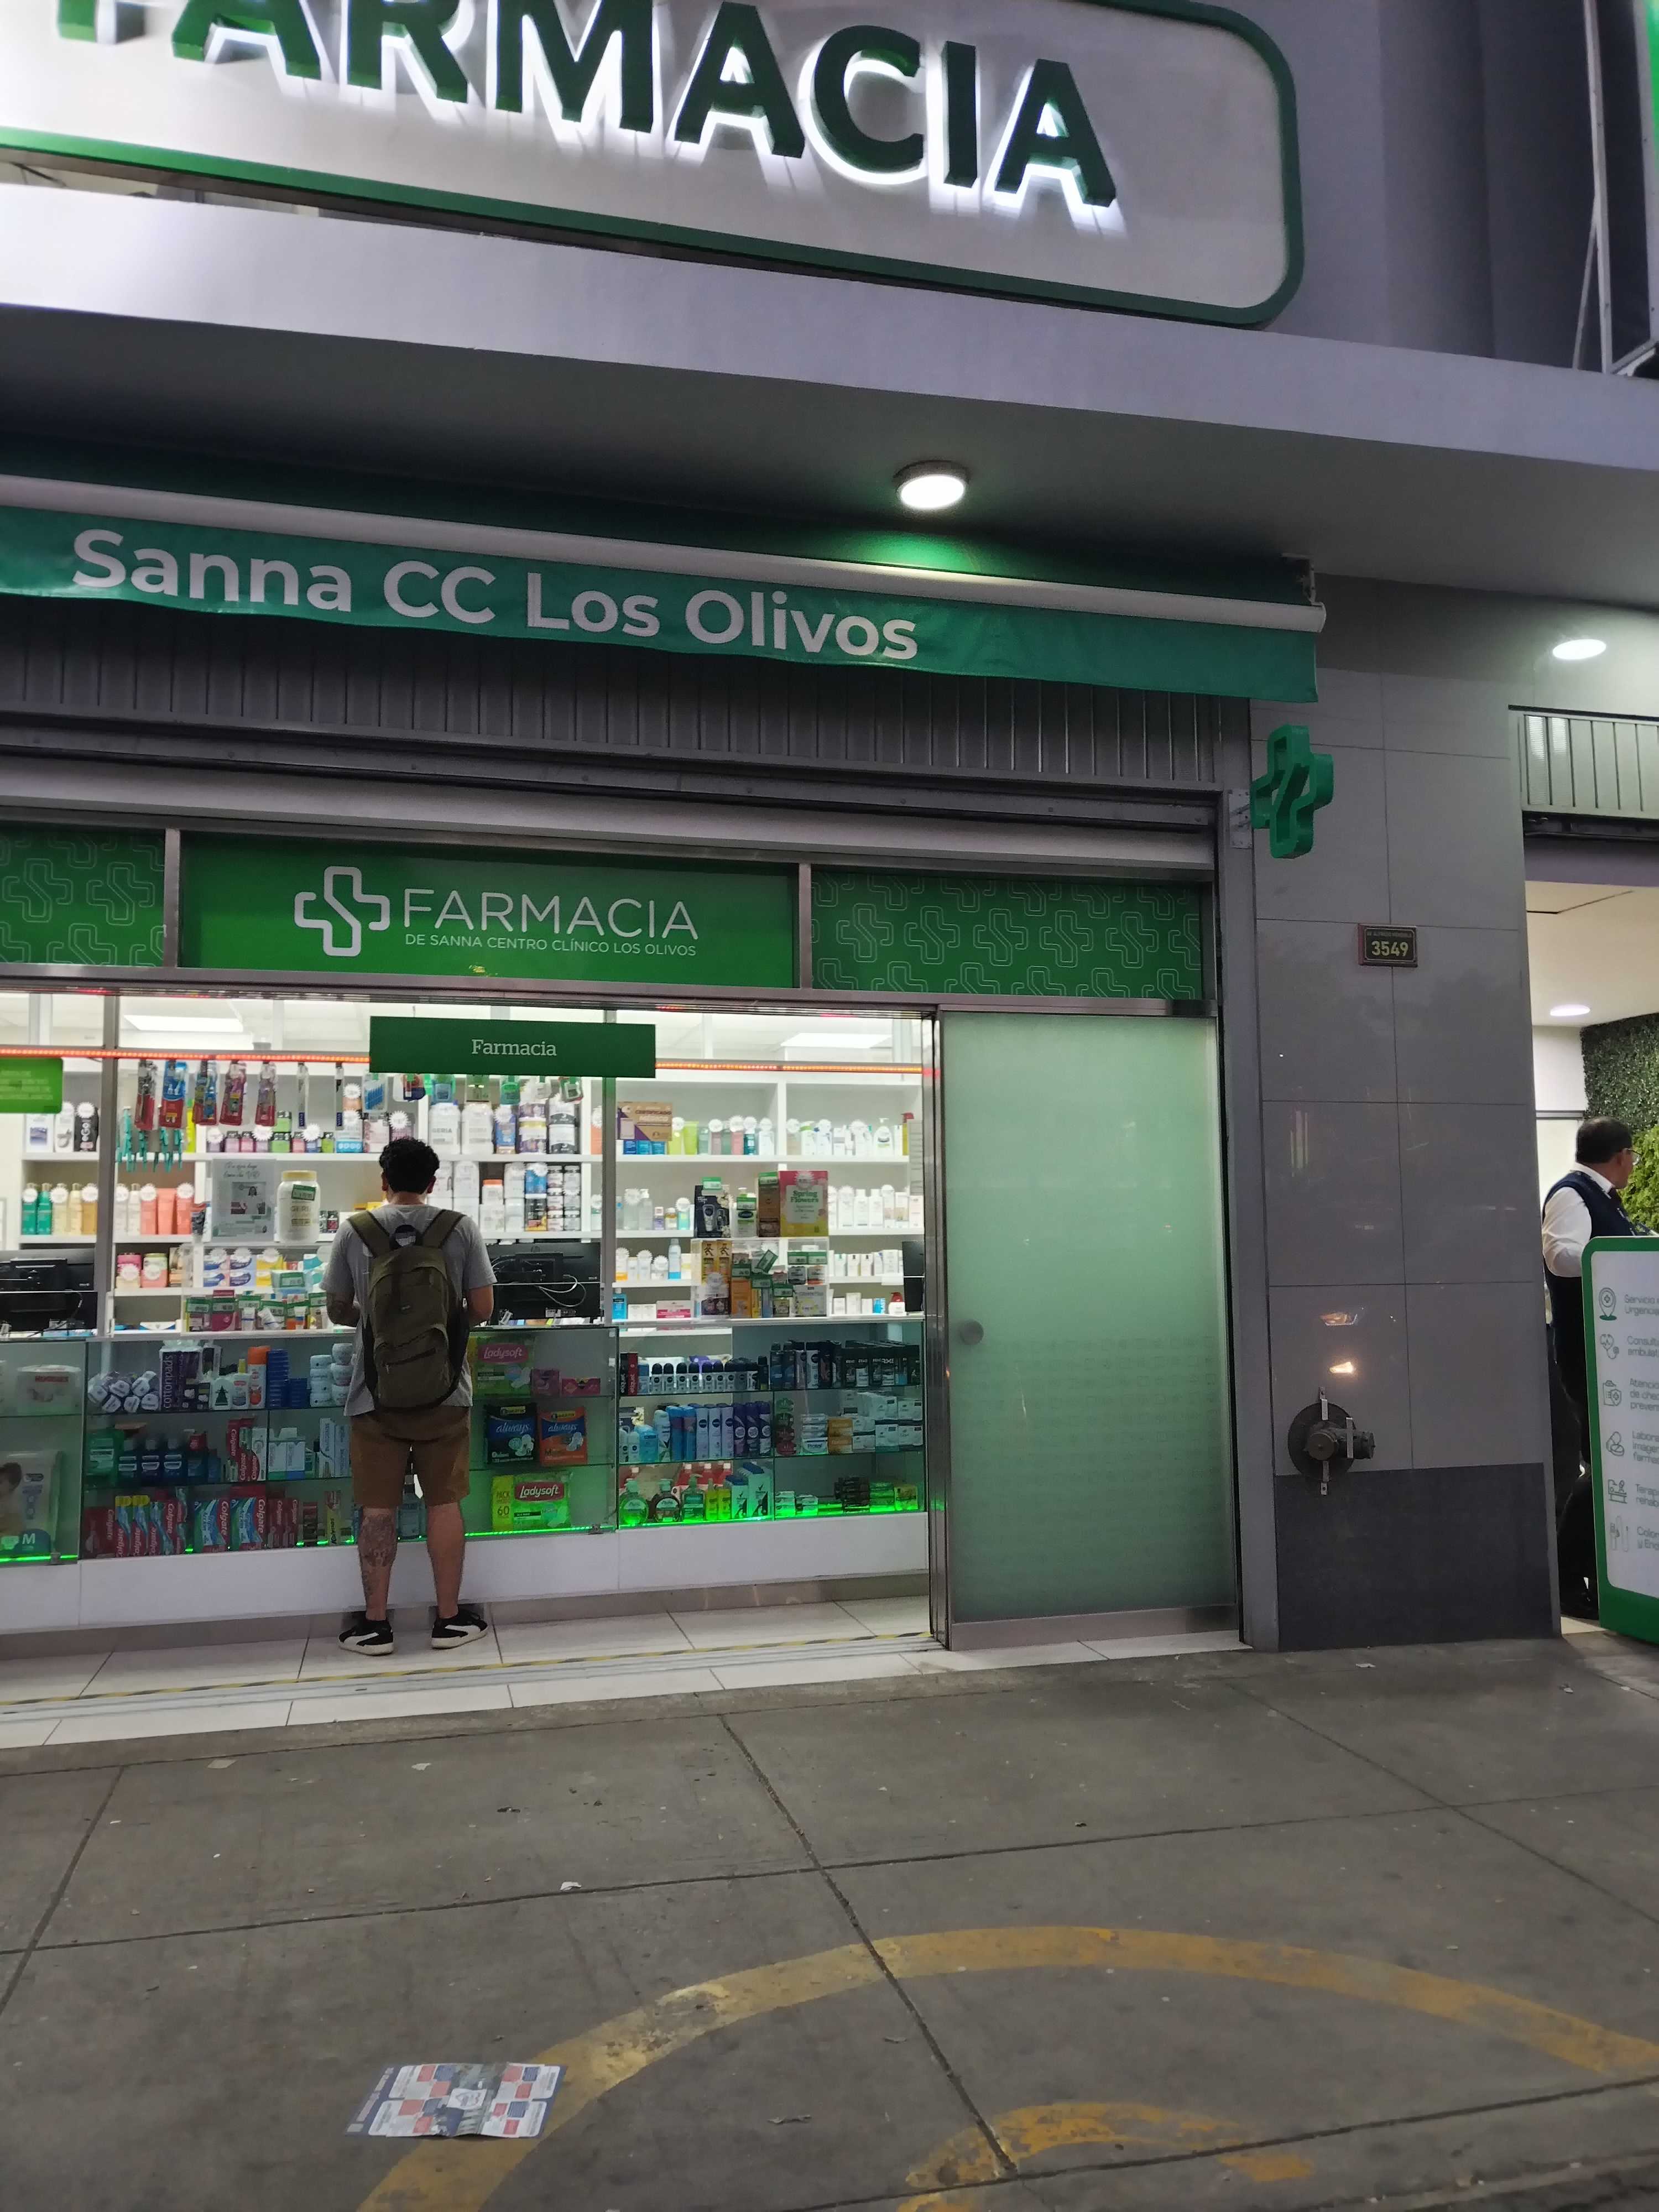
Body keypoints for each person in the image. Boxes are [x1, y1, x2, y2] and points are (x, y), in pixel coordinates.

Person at [324, 1134, 496, 1655]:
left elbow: (337, 1308)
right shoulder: (460, 1228)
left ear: (384, 1180)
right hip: (446, 1393)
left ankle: (375, 1626)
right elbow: (483, 1308)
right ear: (432, 1183)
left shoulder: (354, 1231)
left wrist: (377, 1325)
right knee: (444, 1503)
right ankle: (449, 1620)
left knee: (378, 1510)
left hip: (374, 1395)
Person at [1542, 1117, 1641, 1620]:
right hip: (1590, 1353)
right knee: (1603, 1466)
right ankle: (1564, 1576)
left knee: (1609, 1465)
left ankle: (1595, 1576)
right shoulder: (1572, 1194)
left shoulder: (1605, 1199)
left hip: (1618, 1355)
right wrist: (1616, 1258)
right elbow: (1560, 1256)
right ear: (1622, 1156)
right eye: (1633, 1157)